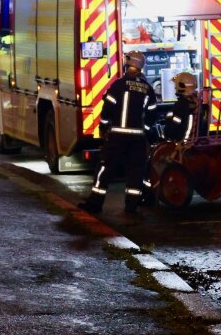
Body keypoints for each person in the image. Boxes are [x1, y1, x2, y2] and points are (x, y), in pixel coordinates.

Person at [80, 50, 158, 214]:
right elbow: (152, 114)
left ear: (128, 64)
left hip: (117, 137)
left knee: (105, 168)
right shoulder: (148, 89)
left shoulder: (118, 85)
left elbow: (107, 108)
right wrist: (144, 130)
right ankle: (131, 206)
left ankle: (95, 204)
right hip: (137, 139)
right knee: (135, 172)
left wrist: (103, 127)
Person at [163, 71, 201, 142]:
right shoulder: (198, 102)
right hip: (196, 141)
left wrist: (165, 133)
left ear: (181, 85)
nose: (175, 87)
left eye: (176, 85)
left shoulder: (181, 104)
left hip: (182, 143)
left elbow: (173, 127)